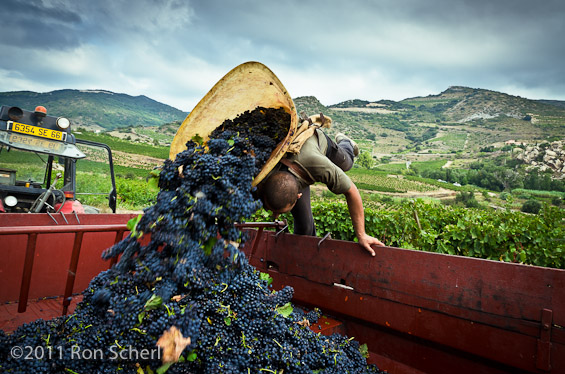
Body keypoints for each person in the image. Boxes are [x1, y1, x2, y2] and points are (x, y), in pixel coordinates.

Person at [257, 120, 384, 256]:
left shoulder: (320, 166)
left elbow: (351, 191)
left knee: (346, 163)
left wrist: (362, 235)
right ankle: (300, 259)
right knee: (305, 225)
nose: (275, 216)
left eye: (280, 213)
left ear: (298, 195)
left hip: (318, 143)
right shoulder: (261, 175)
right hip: (290, 167)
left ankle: (346, 142)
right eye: (271, 209)